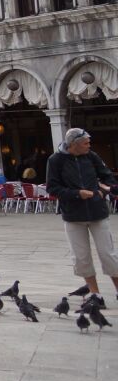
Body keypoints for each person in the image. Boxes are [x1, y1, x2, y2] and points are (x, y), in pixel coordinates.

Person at [45, 126, 118, 301]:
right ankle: (95, 294)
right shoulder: (55, 160)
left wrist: (103, 192)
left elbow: (107, 177)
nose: (89, 146)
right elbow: (52, 188)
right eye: (86, 143)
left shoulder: (91, 157)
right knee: (81, 257)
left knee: (108, 254)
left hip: (97, 212)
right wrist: (77, 194)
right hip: (73, 215)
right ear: (74, 145)